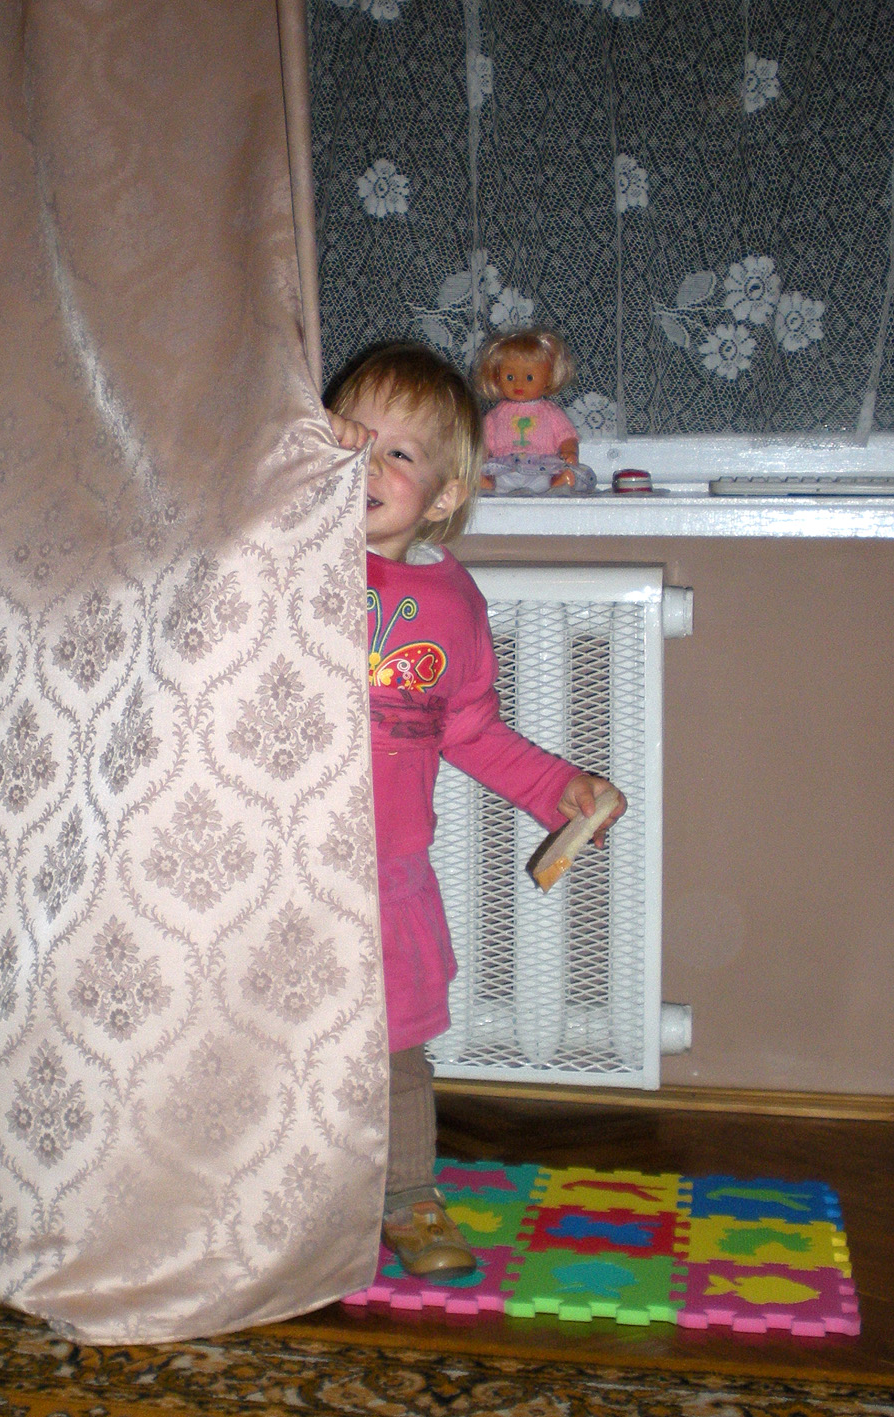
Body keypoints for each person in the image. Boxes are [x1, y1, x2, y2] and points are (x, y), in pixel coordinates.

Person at [326, 343, 625, 1279]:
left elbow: (474, 732)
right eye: (351, 442)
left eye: (397, 454)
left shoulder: (452, 600)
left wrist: (558, 787)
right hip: (280, 869)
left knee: (396, 1050)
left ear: (445, 494)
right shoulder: (288, 559)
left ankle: (408, 1194)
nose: (367, 466)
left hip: (385, 876)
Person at [473, 327, 595, 495]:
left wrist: (569, 452)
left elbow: (567, 437)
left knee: (558, 474)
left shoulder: (550, 412)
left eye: (529, 377)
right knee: (485, 474)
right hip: (505, 471)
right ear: (496, 377)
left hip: (542, 470)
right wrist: (480, 457)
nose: (519, 384)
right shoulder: (495, 415)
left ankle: (558, 481)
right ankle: (486, 482)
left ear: (548, 378)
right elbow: (483, 443)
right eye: (510, 377)